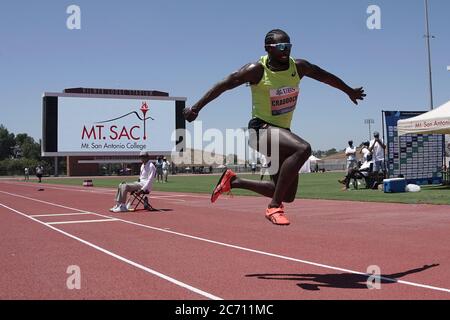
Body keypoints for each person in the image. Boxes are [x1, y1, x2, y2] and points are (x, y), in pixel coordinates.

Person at [183, 29, 365, 225]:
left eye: (288, 46)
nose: (285, 51)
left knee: (287, 194)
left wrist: (348, 91)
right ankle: (273, 207)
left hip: (282, 134)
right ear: (268, 49)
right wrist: (196, 108)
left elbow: (325, 76)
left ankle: (233, 181)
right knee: (303, 148)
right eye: (280, 47)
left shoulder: (299, 67)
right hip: (260, 130)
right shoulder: (256, 70)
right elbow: (224, 85)